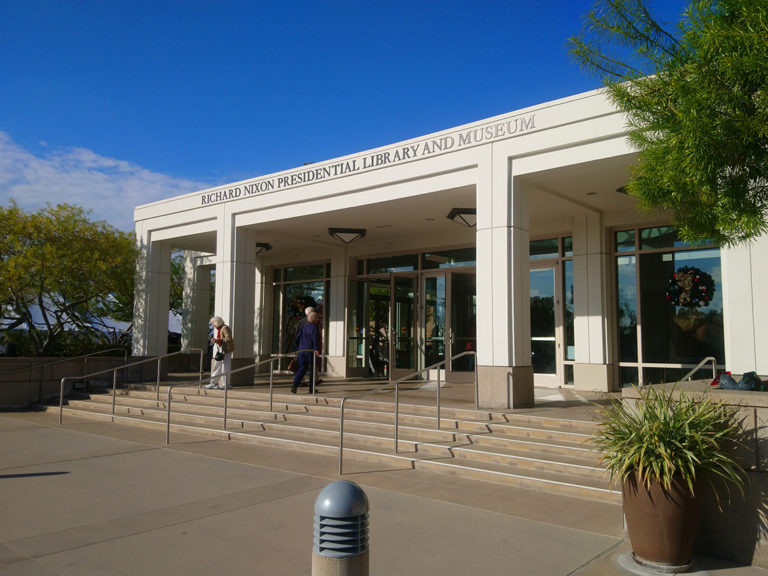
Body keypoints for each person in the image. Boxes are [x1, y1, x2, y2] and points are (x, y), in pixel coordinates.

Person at [291, 310, 320, 394]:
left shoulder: (303, 327)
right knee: (312, 369)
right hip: (310, 351)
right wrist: (316, 349)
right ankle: (311, 388)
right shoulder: (314, 328)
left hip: (301, 350)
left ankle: (294, 384)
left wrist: (298, 348)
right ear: (314, 319)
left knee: (302, 368)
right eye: (317, 318)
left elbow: (297, 338)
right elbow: (315, 339)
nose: (318, 319)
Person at [205, 316, 234, 390]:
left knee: (225, 367)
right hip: (221, 350)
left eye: (213, 323)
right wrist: (216, 340)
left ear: (217, 322)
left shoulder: (225, 328)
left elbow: (229, 338)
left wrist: (219, 340)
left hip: (226, 350)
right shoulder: (220, 329)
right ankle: (214, 383)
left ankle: (226, 384)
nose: (213, 326)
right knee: (217, 366)